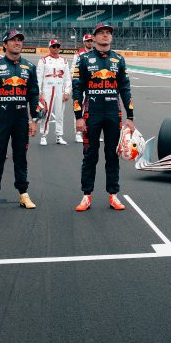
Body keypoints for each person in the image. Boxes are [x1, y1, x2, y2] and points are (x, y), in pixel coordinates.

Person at [72, 23, 134, 212]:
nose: (106, 36)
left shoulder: (119, 60)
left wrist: (130, 116)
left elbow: (125, 88)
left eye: (108, 33)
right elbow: (77, 89)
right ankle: (86, 195)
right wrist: (78, 117)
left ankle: (113, 195)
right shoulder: (83, 59)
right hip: (92, 113)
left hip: (114, 113)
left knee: (112, 155)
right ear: (94, 37)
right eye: (102, 33)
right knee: (90, 155)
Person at [0, 29, 40, 211]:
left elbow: (34, 95)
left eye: (20, 40)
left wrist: (34, 120)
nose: (17, 43)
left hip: (21, 120)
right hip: (1, 120)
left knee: (21, 158)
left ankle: (23, 194)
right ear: (5, 44)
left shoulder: (29, 67)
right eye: (13, 40)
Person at [37, 39, 70, 145]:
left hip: (60, 88)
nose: (56, 48)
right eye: (54, 46)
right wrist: (39, 92)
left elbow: (67, 78)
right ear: (49, 47)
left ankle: (59, 136)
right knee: (46, 113)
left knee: (60, 114)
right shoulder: (43, 60)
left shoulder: (64, 61)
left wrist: (67, 92)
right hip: (48, 88)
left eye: (57, 46)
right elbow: (38, 78)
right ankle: (43, 135)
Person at [72, 33, 94, 143]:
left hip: (92, 87)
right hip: (82, 86)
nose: (89, 42)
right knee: (78, 108)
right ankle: (78, 133)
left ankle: (92, 132)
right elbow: (73, 71)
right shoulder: (78, 55)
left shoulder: (96, 53)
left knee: (92, 110)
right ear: (84, 42)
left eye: (91, 41)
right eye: (88, 41)